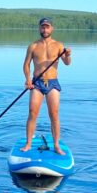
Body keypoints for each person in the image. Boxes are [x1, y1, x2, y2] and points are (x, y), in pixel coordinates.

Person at [20, 17, 72, 155]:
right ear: (39, 28)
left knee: (54, 114)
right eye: (42, 27)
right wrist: (27, 80)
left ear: (52, 28)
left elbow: (67, 63)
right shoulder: (33, 46)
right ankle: (28, 144)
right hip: (36, 83)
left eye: (47, 27)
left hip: (53, 83)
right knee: (32, 113)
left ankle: (56, 145)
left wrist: (67, 55)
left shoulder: (59, 45)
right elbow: (26, 64)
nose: (45, 29)